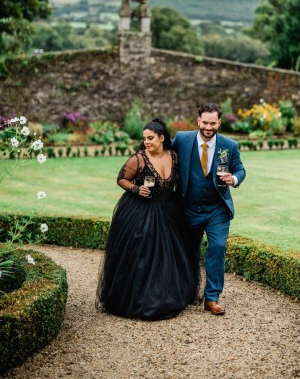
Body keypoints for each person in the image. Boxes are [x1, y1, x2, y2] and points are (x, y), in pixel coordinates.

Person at [96, 118, 196, 321]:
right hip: (142, 212)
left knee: (170, 255)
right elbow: (121, 179)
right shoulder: (139, 159)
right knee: (145, 254)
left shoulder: (174, 156)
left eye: (150, 138)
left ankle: (168, 295)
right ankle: (142, 299)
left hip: (169, 211)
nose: (146, 142)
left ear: (162, 138)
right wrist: (135, 188)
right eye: (144, 138)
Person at [172, 102, 246, 315]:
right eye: (205, 122)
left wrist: (234, 178)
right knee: (188, 252)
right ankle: (187, 292)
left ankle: (212, 298)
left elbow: (240, 169)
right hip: (188, 208)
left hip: (217, 209)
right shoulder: (182, 140)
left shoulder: (229, 145)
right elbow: (164, 157)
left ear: (219, 123)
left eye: (213, 123)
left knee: (217, 248)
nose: (208, 127)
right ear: (198, 121)